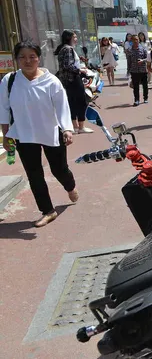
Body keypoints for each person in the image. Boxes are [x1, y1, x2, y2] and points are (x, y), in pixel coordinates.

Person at [0, 40, 78, 227]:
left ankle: (70, 186)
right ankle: (48, 211)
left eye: (32, 57)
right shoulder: (9, 81)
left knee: (59, 169)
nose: (27, 61)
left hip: (51, 132)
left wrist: (67, 129)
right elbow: (3, 108)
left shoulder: (51, 81)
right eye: (22, 57)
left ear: (39, 58)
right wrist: (6, 134)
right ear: (16, 59)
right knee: (34, 174)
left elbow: (62, 107)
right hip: (24, 134)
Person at [54, 30, 92, 134]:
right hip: (73, 78)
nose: (76, 39)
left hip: (67, 79)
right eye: (74, 37)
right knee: (81, 101)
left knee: (72, 102)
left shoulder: (64, 49)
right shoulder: (68, 49)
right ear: (69, 38)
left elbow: (66, 64)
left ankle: (75, 126)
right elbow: (68, 65)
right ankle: (81, 127)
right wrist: (80, 70)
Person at [128, 34, 149, 106]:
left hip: (143, 70)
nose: (135, 41)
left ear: (139, 40)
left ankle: (145, 98)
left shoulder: (143, 49)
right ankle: (136, 100)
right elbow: (129, 61)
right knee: (136, 86)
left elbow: (148, 58)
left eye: (137, 39)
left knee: (145, 85)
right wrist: (128, 71)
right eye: (134, 40)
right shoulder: (130, 50)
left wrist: (142, 60)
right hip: (134, 71)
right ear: (132, 41)